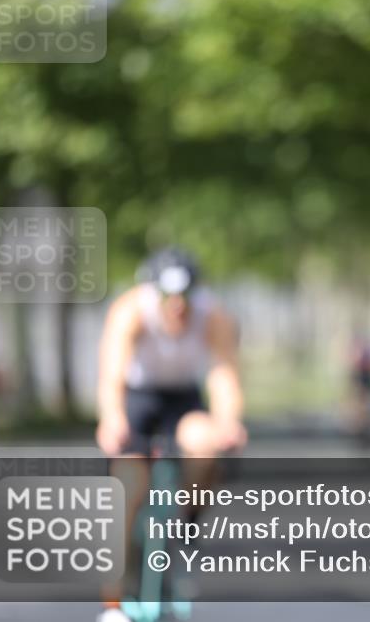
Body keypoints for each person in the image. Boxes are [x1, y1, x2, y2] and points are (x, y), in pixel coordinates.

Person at [95, 247, 247, 622]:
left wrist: (228, 420)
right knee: (127, 488)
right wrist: (112, 419)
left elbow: (224, 374)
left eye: (185, 296)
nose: (177, 305)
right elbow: (111, 374)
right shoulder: (131, 311)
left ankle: (185, 520)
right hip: (139, 399)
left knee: (204, 443)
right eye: (168, 296)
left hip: (183, 398)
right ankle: (113, 602)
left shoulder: (213, 316)